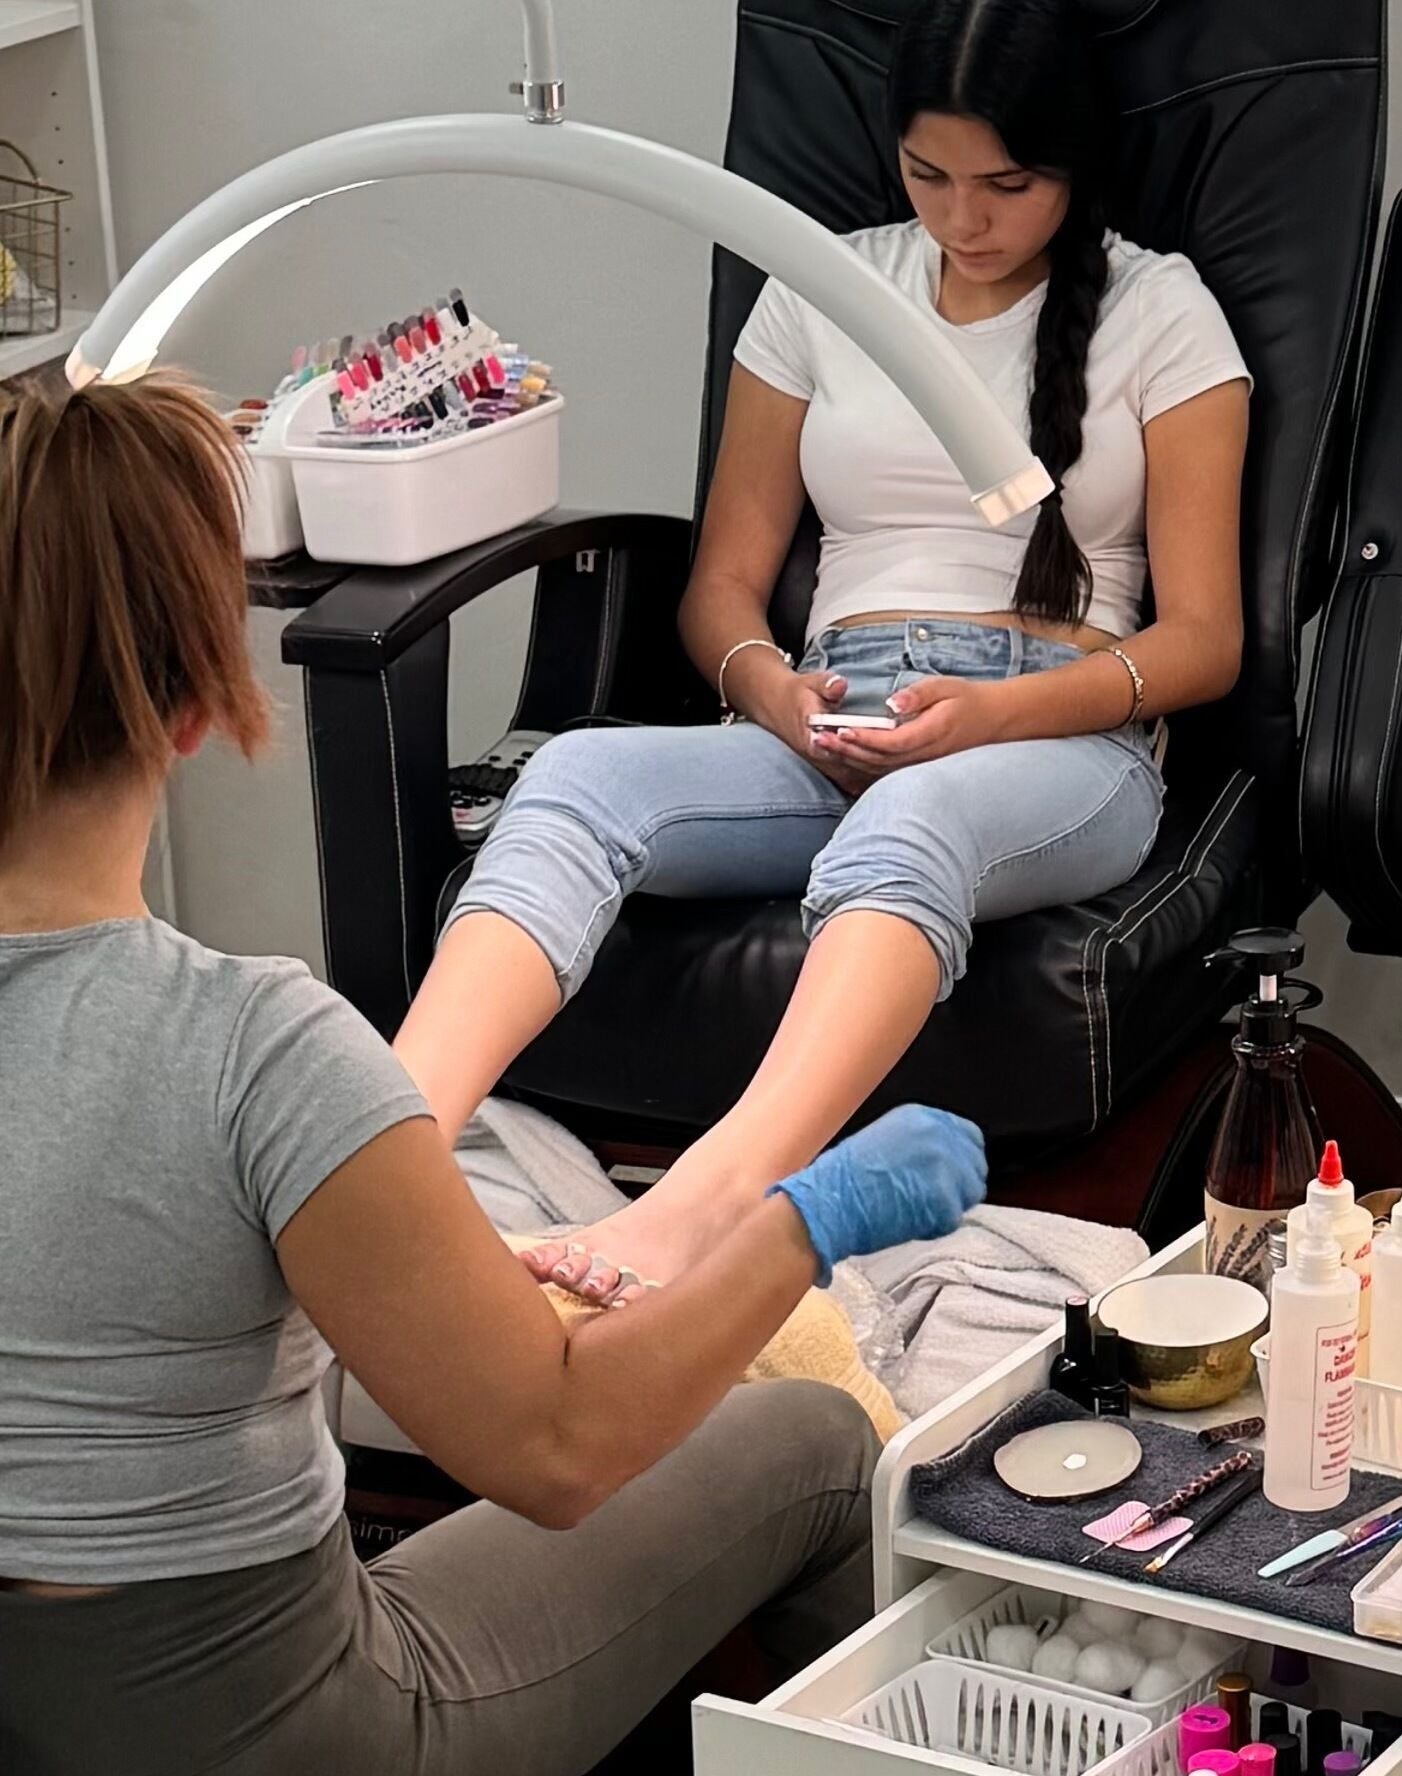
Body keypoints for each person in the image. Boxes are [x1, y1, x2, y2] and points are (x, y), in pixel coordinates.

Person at [0, 375, 991, 1772]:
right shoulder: (253, 1051)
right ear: (192, 705)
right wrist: (802, 1221)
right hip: (276, 1731)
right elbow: (560, 1448)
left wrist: (407, 1280)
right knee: (819, 1447)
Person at [393, 0, 1253, 1305]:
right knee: (572, 781)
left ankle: (703, 1212)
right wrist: (766, 689)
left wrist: (989, 720)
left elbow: (1205, 642)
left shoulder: (1161, 311)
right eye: (930, 175)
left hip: (1057, 739)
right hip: (826, 712)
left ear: (1073, 169)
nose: (964, 218)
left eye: (1007, 185)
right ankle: (384, 1171)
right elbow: (725, 584)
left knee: (907, 825)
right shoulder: (821, 287)